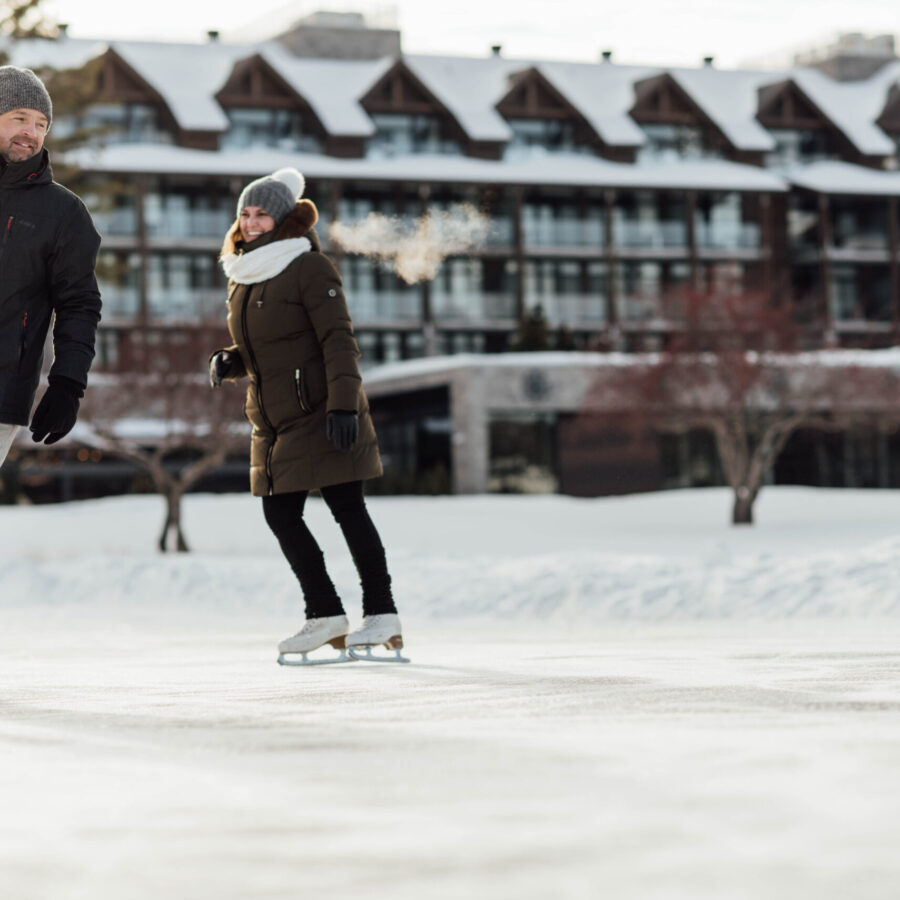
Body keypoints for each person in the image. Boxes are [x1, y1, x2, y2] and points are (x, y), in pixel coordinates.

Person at [210, 167, 405, 665]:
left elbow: (337, 339)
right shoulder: (244, 275)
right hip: (276, 418)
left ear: (285, 219)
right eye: (246, 214)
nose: (251, 223)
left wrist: (343, 405)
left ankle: (378, 613)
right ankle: (328, 614)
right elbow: (268, 343)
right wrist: (233, 359)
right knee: (282, 513)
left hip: (322, 410)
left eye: (262, 214)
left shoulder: (308, 267)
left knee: (345, 508)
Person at [0, 65, 102, 467]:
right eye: (19, 118)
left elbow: (79, 304)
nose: (31, 131)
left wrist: (67, 384)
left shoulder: (63, 213)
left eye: (41, 123)